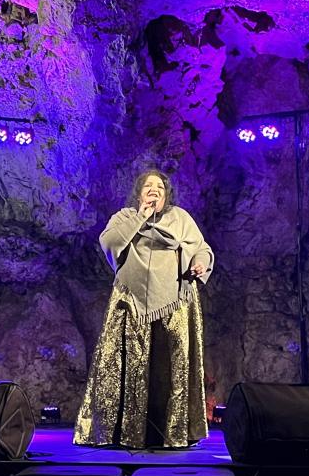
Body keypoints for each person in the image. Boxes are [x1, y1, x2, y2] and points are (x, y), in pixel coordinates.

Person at [74, 170, 214, 448]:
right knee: (129, 366)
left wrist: (199, 263)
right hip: (132, 302)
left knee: (169, 368)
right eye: (148, 186)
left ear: (167, 194)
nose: (154, 189)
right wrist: (140, 217)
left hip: (175, 302)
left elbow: (202, 248)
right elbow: (110, 243)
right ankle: (123, 431)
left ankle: (171, 431)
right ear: (138, 194)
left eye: (160, 186)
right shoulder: (125, 217)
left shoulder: (180, 218)